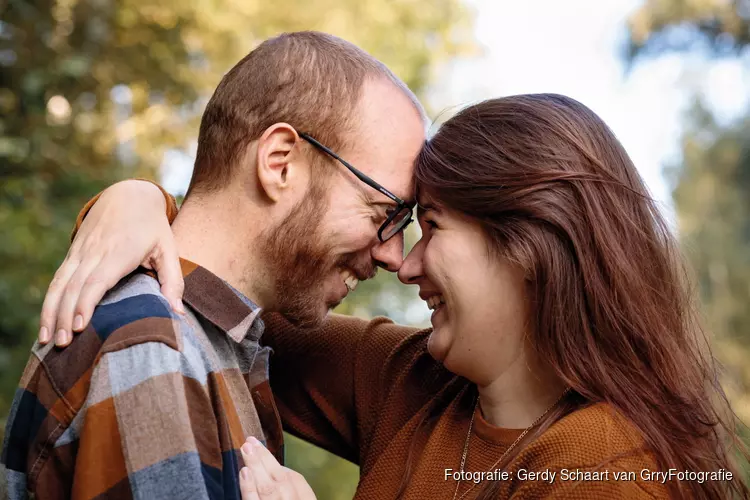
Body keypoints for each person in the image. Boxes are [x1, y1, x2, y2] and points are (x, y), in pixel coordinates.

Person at [26, 94, 750, 499]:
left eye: (428, 227)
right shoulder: (412, 383)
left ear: (531, 246)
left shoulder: (609, 474)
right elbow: (234, 279)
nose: (402, 265)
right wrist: (137, 203)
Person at [0, 31, 426, 499]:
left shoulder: (214, 343)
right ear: (280, 163)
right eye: (383, 213)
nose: (394, 256)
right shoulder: (157, 352)